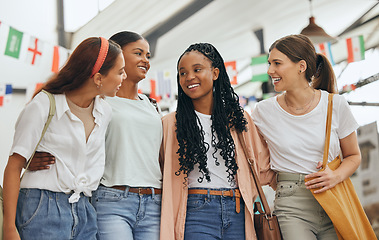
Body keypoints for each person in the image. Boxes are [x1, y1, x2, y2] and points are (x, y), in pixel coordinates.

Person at [27, 31, 163, 240]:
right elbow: (63, 135)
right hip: (112, 198)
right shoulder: (99, 102)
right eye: (138, 53)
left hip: (154, 201)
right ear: (116, 55)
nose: (145, 60)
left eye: (148, 55)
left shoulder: (152, 106)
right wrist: (31, 157)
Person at [3, 37, 126, 240]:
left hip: (85, 210)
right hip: (42, 207)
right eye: (120, 72)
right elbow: (14, 166)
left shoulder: (105, 111)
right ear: (98, 78)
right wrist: (9, 228)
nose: (124, 77)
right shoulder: (43, 105)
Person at [160, 43, 276, 240]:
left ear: (215, 73)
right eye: (182, 73)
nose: (189, 77)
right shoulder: (170, 124)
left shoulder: (239, 119)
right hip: (195, 211)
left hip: (238, 210)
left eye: (197, 70)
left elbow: (263, 167)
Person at [252, 34, 362, 239]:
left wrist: (335, 175)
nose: (270, 71)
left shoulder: (335, 105)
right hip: (291, 205)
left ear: (301, 66)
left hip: (335, 197)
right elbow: (256, 159)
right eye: (269, 63)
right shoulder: (262, 112)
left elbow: (354, 156)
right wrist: (284, 183)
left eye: (277, 63)